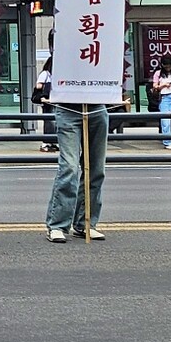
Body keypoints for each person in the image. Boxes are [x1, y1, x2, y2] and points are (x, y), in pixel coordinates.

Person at [45, 97, 110, 243]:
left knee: (97, 169)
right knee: (69, 168)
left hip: (97, 107)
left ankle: (86, 223)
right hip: (68, 107)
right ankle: (57, 225)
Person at [33, 58, 57, 153]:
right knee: (49, 121)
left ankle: (52, 141)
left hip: (54, 100)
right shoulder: (45, 74)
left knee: (54, 122)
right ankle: (47, 142)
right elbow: (38, 86)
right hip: (47, 100)